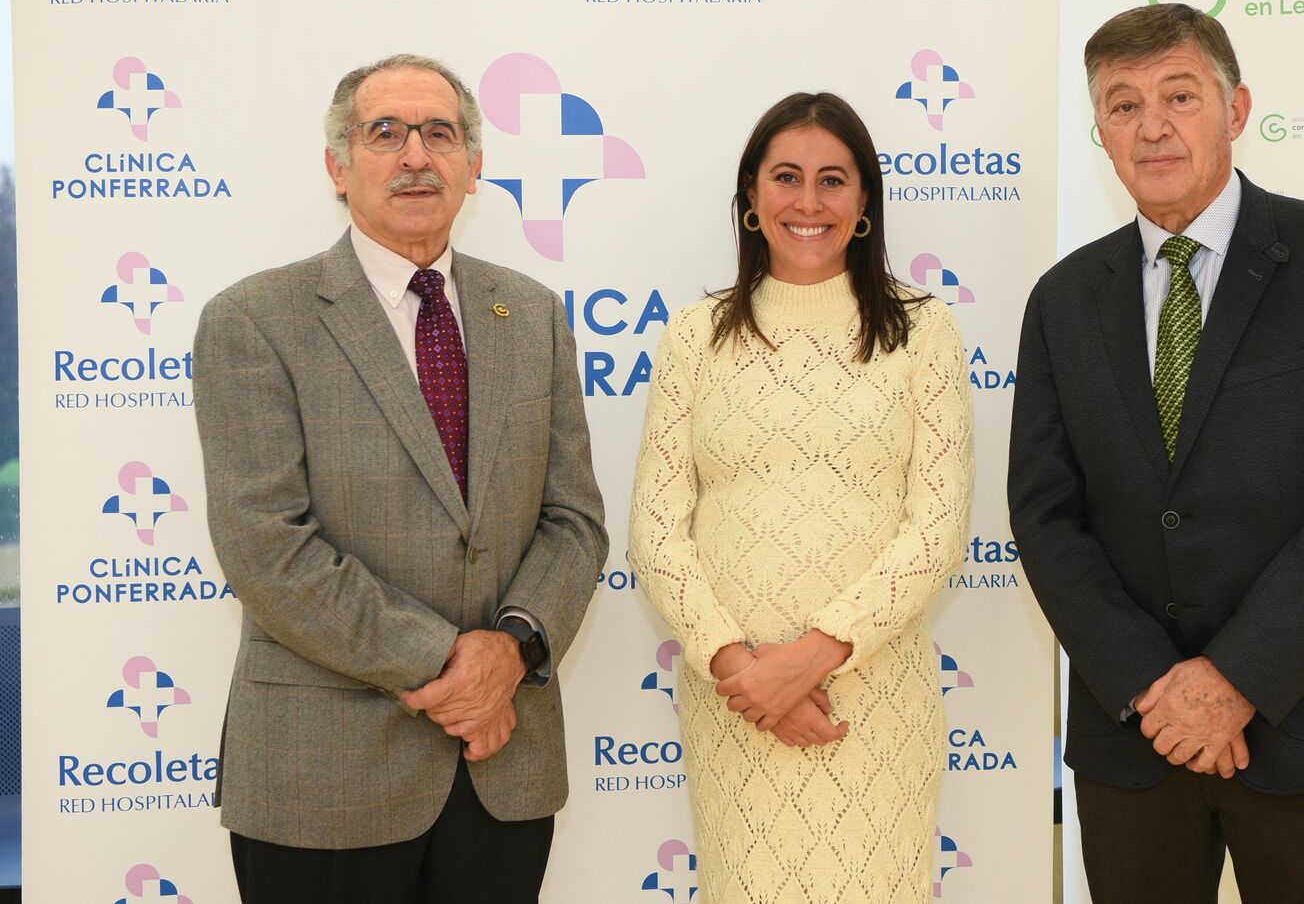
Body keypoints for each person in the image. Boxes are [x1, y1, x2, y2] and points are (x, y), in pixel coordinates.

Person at [1009, 4, 1304, 902]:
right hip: (1135, 737)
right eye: (1122, 105)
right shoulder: (1064, 299)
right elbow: (1045, 518)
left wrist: (1235, 679)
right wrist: (1154, 689)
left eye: (1178, 95)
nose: (1151, 125)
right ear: (1100, 134)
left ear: (1235, 110)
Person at [193, 54, 607, 903]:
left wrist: (518, 645)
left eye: (441, 133)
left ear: (474, 166)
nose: (416, 154)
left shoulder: (531, 314)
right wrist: (458, 665)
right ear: (338, 167)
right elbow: (266, 550)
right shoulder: (253, 321)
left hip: (502, 770)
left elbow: (573, 520)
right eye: (385, 132)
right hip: (324, 777)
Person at [629, 92, 974, 902]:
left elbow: (936, 530)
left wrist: (808, 660)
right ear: (752, 197)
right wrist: (742, 672)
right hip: (736, 705)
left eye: (833, 180)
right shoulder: (695, 335)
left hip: (874, 703)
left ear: (864, 205)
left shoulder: (923, 332)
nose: (808, 202)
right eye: (787, 178)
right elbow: (655, 531)